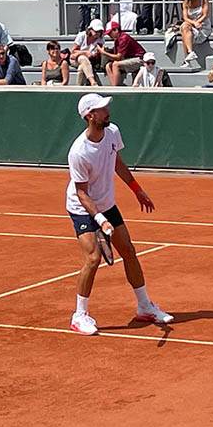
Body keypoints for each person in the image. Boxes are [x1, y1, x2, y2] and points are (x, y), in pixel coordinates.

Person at [65, 93, 172, 336]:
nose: (107, 110)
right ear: (90, 116)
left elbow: (117, 163)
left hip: (106, 203)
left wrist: (137, 190)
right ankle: (79, 315)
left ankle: (144, 306)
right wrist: (100, 220)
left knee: (129, 251)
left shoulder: (112, 132)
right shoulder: (79, 152)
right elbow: (81, 193)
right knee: (93, 258)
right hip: (82, 208)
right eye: (102, 108)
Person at [101, 20, 145, 86]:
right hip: (129, 59)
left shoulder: (124, 38)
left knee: (116, 65)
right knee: (108, 66)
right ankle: (115, 86)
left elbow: (118, 57)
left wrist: (104, 53)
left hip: (140, 59)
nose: (109, 35)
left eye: (110, 33)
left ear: (116, 30)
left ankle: (116, 87)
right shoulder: (117, 40)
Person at [178, 0, 211, 66]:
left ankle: (187, 58)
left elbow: (205, 15)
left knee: (184, 31)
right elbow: (185, 17)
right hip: (192, 25)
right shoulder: (185, 2)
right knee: (184, 26)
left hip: (203, 26)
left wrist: (197, 23)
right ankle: (190, 52)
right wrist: (194, 23)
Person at [70, 20, 106, 87]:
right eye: (96, 31)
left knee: (81, 68)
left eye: (99, 31)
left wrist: (96, 54)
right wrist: (85, 52)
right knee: (83, 58)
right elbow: (73, 51)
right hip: (76, 59)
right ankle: (93, 81)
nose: (97, 33)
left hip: (90, 61)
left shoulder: (101, 39)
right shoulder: (82, 35)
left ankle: (79, 87)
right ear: (90, 29)